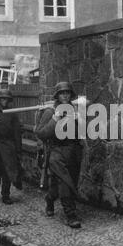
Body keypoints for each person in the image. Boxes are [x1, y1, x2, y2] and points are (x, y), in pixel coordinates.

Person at [35, 82, 83, 229]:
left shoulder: (75, 110)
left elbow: (81, 132)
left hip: (73, 151)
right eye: (62, 93)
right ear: (57, 95)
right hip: (56, 151)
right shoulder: (50, 111)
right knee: (65, 183)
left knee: (67, 182)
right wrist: (55, 119)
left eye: (68, 93)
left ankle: (50, 199)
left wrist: (78, 119)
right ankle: (70, 215)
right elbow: (41, 133)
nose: (65, 95)